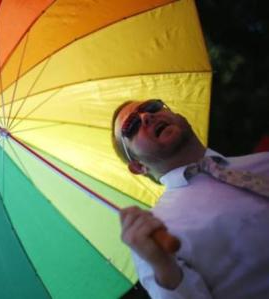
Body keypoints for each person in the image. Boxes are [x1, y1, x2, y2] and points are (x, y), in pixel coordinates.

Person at [111, 99, 269, 299]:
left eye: (152, 107)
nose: (146, 116)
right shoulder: (156, 235)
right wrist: (164, 267)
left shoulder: (264, 161)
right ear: (138, 167)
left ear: (180, 117)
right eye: (131, 126)